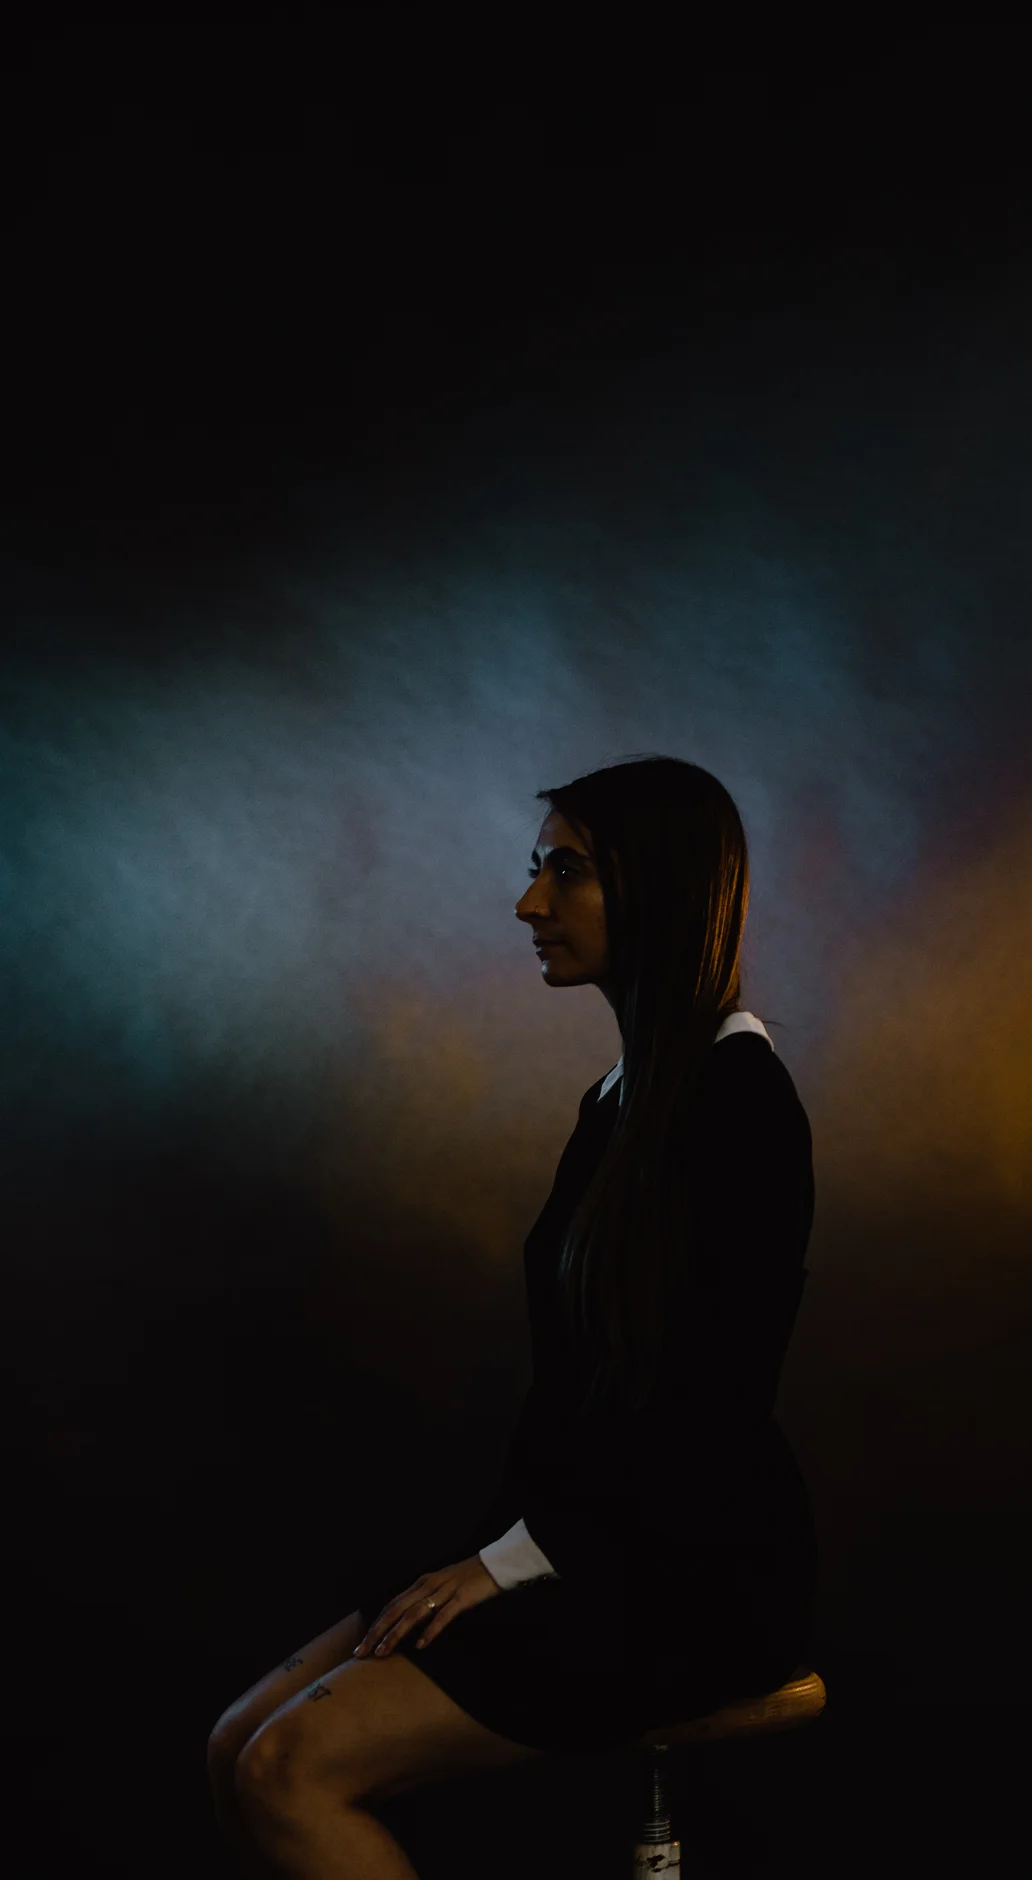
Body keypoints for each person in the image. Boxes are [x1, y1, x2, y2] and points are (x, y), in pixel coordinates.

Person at [207, 754, 818, 1876]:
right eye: (537, 869)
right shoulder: (619, 1101)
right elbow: (577, 1392)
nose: (530, 903)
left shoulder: (739, 1104)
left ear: (660, 888)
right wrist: (495, 1552)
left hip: (689, 1576)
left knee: (286, 1769)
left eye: (567, 872)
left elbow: (707, 1412)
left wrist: (514, 1561)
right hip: (581, 1541)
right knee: (236, 1741)